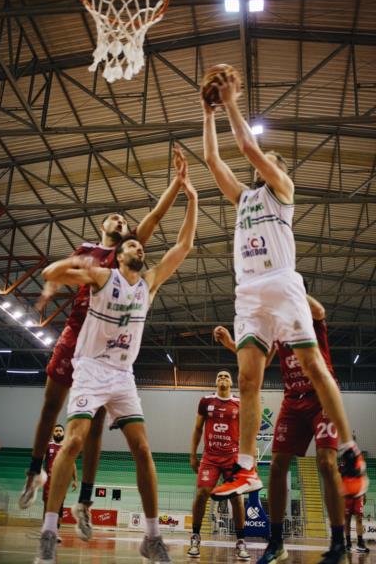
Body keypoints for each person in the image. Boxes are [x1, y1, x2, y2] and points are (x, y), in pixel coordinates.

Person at [200, 71, 368, 503]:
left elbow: (246, 148)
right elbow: (214, 162)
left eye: (272, 161)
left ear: (277, 171)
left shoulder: (283, 191)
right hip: (248, 291)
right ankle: (245, 466)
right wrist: (207, 111)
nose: (265, 164)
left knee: (314, 366)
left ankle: (350, 450)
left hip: (280, 280)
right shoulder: (243, 199)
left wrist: (231, 101)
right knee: (248, 378)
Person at [19, 146, 186, 541]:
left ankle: (84, 502)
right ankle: (34, 470)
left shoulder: (127, 251)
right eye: (114, 215)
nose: (120, 218)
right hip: (78, 330)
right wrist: (48, 284)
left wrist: (178, 184)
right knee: (50, 405)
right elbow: (63, 270)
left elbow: (156, 216)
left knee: (91, 427)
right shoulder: (87, 252)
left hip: (108, 343)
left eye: (124, 218)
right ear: (101, 224)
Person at [215, 291, 347, 564]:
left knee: (326, 461)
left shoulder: (309, 316)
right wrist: (231, 343)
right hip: (293, 400)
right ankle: (276, 543)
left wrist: (286, 286)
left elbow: (320, 310)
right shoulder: (275, 326)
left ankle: (338, 544)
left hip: (321, 395)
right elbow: (262, 361)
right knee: (277, 466)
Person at [188, 370, 248, 560]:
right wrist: (192, 455)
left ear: (231, 383)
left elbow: (247, 431)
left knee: (236, 498)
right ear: (216, 382)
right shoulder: (206, 401)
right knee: (202, 493)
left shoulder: (239, 403)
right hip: (210, 457)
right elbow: (198, 428)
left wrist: (247, 457)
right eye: (219, 376)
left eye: (226, 376)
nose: (223, 378)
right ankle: (195, 538)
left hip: (232, 458)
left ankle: (240, 542)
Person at [42, 424, 78, 542]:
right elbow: (41, 459)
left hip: (61, 482)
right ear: (53, 433)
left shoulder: (66, 447)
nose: (58, 432)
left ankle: (55, 532)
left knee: (59, 508)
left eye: (60, 431)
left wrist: (75, 480)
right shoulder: (48, 445)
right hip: (48, 481)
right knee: (47, 507)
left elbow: (72, 464)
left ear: (63, 433)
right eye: (56, 430)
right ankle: (46, 531)